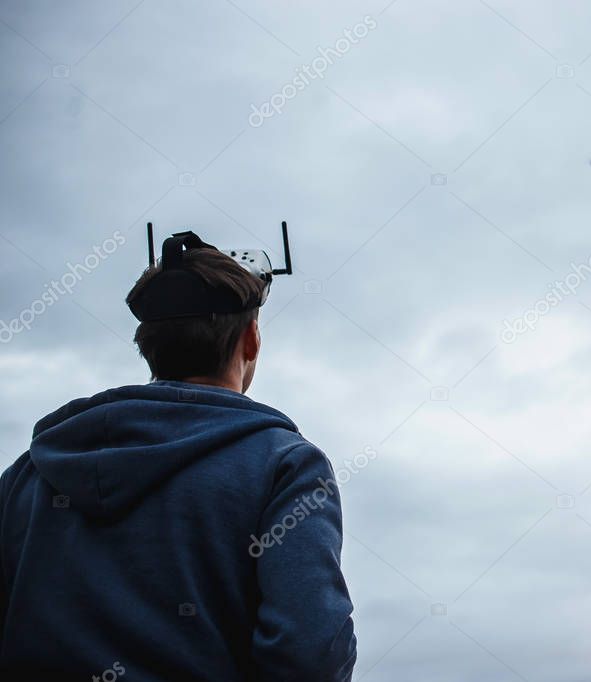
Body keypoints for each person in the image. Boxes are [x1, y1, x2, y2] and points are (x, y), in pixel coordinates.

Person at [0, 233, 357, 680]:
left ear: (147, 345)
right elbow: (311, 655)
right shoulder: (284, 467)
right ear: (251, 341)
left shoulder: (28, 474)